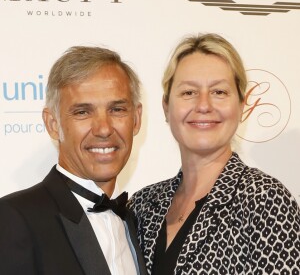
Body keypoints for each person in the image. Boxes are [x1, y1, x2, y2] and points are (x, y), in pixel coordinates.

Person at [128, 33, 300, 274]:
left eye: (219, 92)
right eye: (188, 92)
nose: (204, 105)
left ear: (242, 106)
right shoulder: (142, 206)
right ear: (166, 106)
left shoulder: (265, 200)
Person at [0, 46, 147, 275]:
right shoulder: (12, 219)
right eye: (82, 112)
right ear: (53, 124)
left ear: (136, 119)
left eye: (117, 109)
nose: (104, 129)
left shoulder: (137, 223)